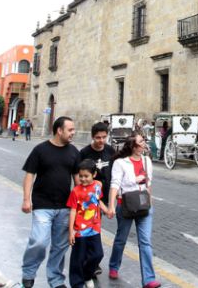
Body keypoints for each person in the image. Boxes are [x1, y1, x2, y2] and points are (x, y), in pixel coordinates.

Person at [20, 116, 81, 288]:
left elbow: (77, 182)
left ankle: (55, 279)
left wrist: (80, 207)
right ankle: (29, 272)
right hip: (42, 205)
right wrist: (26, 199)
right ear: (59, 130)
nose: (73, 133)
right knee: (39, 241)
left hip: (65, 207)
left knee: (60, 247)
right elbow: (29, 174)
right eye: (70, 130)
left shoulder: (74, 152)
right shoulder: (40, 150)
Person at [107, 134, 161, 288]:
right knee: (121, 238)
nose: (144, 144)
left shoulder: (147, 161)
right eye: (141, 142)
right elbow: (115, 184)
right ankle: (114, 266)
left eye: (143, 141)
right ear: (133, 146)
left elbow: (148, 183)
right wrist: (111, 205)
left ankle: (149, 279)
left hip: (144, 204)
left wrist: (150, 201)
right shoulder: (120, 163)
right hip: (125, 204)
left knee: (145, 242)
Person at [79, 122, 116, 277]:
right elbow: (79, 177)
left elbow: (115, 172)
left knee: (95, 228)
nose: (101, 140)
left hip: (107, 195)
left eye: (104, 137)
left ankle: (92, 261)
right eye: (98, 138)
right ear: (92, 137)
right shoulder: (84, 152)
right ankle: (91, 263)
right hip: (90, 199)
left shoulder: (110, 150)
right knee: (91, 229)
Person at [67, 159, 110, 288]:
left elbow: (97, 200)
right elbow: (73, 211)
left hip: (95, 228)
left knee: (98, 254)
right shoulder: (76, 191)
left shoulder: (97, 186)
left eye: (86, 176)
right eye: (81, 176)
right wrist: (71, 232)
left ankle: (86, 275)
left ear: (94, 174)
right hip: (80, 230)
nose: (83, 179)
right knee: (78, 258)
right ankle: (77, 283)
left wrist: (106, 210)